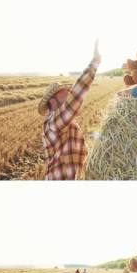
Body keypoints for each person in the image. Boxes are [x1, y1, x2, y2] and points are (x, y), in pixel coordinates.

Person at [40, 40, 101, 180]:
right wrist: (94, 63)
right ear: (53, 100)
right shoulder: (54, 122)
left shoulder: (60, 120)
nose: (68, 92)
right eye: (63, 92)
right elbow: (77, 94)